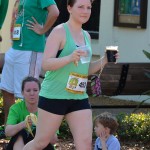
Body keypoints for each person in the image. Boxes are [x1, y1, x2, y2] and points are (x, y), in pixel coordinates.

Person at [23, 0, 119, 149]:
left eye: (89, 7)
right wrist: (69, 58)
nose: (85, 11)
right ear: (69, 8)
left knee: (85, 144)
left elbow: (84, 70)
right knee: (41, 142)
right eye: (80, 7)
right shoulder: (59, 31)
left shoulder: (86, 35)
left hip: (78, 97)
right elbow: (46, 64)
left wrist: (105, 60)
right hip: (54, 96)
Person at [0, 0, 59, 124]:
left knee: (28, 93)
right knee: (6, 89)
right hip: (15, 48)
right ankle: (9, 128)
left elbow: (54, 12)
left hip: (30, 49)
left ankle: (28, 134)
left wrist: (42, 30)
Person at [5, 76, 58, 150]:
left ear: (40, 92)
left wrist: (41, 126)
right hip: (19, 144)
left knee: (38, 132)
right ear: (22, 93)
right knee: (21, 132)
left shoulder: (48, 109)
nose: (32, 93)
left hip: (40, 145)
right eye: (28, 90)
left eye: (35, 90)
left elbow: (54, 140)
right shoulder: (16, 108)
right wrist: (23, 124)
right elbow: (8, 132)